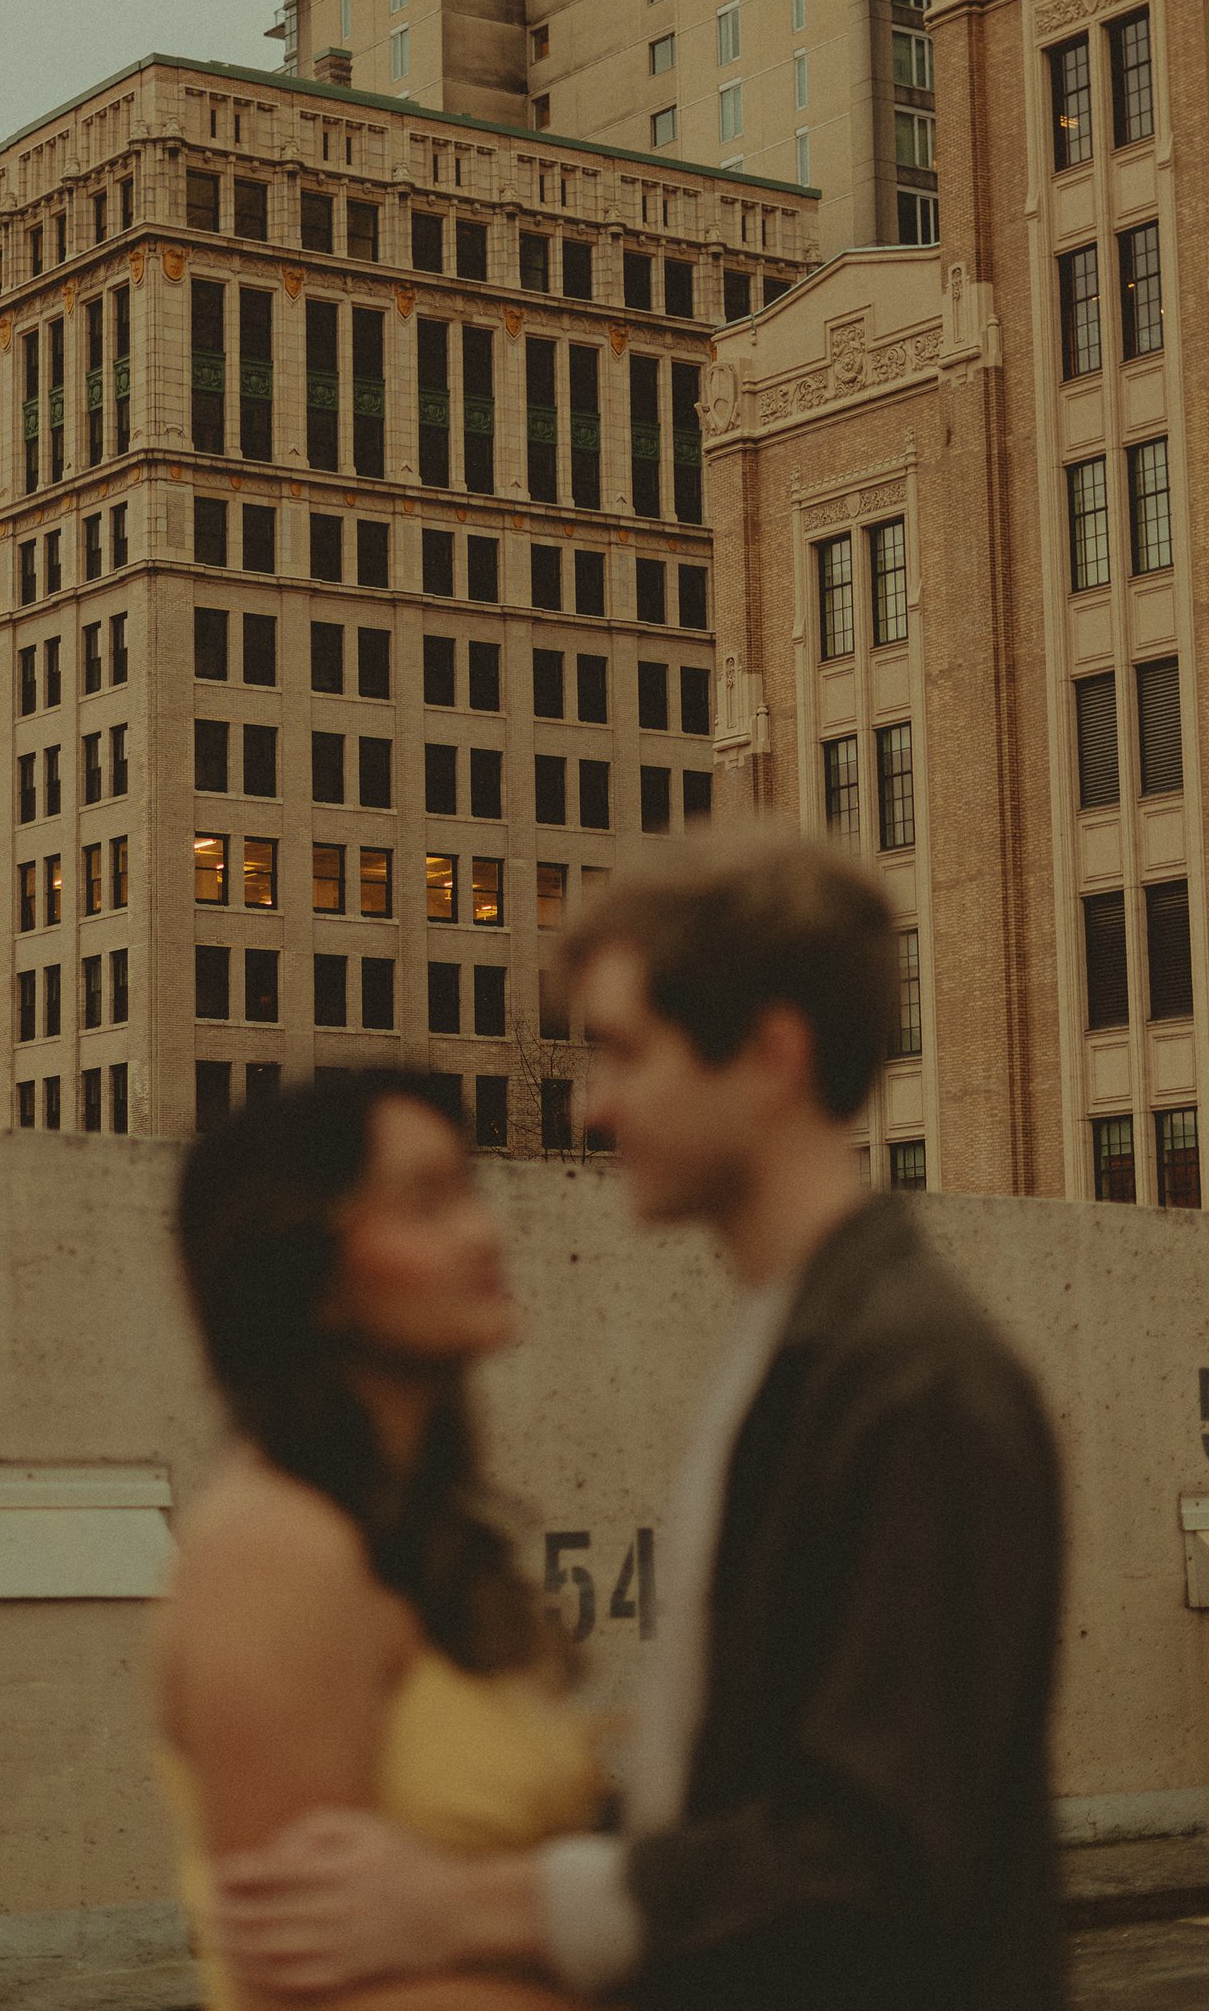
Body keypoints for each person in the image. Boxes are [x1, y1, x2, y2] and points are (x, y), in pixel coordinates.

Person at [214, 829, 1067, 2010]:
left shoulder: (912, 1382)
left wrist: (470, 1903)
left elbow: (877, 1860)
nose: (594, 1105)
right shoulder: (801, 1351)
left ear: (769, 1055)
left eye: (623, 1050)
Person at [161, 1067, 600, 2011]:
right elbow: (304, 1992)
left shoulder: (423, 1539)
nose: (483, 1232)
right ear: (308, 1277)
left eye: (470, 1192)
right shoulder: (276, 1554)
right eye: (425, 1203)